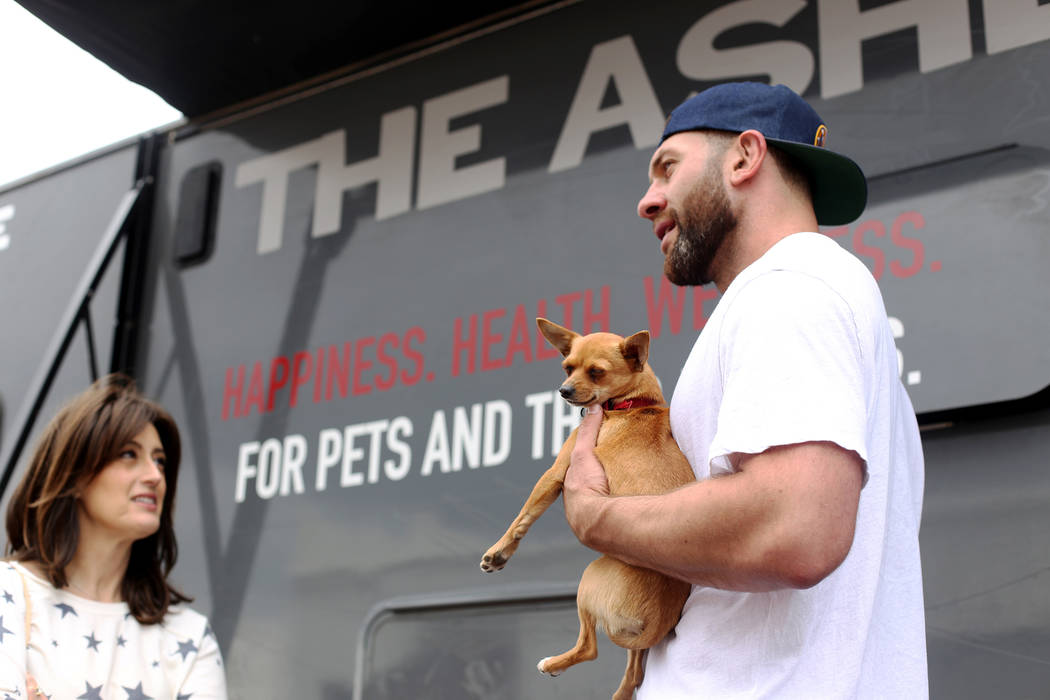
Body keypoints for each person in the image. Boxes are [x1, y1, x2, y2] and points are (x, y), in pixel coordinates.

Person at [564, 82, 927, 698]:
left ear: (743, 157)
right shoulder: (810, 291)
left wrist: (598, 518)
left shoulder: (789, 286)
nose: (647, 201)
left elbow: (795, 527)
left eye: (667, 168)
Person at [0, 374, 227, 699]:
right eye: (128, 455)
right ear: (74, 476)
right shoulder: (7, 594)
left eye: (160, 461)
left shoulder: (189, 638)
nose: (154, 476)